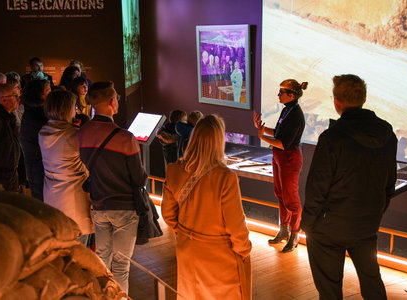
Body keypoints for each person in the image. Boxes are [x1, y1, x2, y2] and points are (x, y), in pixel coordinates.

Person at [301, 74, 397, 300]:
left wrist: (307, 224)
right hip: (366, 224)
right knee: (372, 283)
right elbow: (389, 184)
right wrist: (375, 214)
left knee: (330, 291)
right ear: (363, 99)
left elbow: (317, 187)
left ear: (337, 102)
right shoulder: (387, 134)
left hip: (328, 228)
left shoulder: (332, 137)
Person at [162, 114, 252, 300]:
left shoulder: (174, 170)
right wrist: (244, 249)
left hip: (187, 250)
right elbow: (236, 226)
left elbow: (168, 214)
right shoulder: (225, 178)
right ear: (218, 141)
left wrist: (187, 234)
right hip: (219, 256)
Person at [77, 81, 147, 293]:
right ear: (111, 102)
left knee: (101, 261)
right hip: (124, 207)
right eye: (116, 97)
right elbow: (139, 178)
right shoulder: (126, 138)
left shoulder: (83, 133)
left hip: (98, 204)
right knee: (121, 266)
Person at [253, 79, 307, 252]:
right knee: (280, 194)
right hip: (279, 156)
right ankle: (283, 230)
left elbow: (284, 143)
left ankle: (294, 233)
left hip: (289, 158)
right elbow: (277, 133)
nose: (278, 95)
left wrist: (262, 137)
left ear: (291, 95)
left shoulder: (296, 115)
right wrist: (261, 128)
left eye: (281, 92)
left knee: (291, 198)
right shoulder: (287, 110)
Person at [39, 89, 93, 245]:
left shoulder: (43, 132)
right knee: (79, 249)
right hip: (75, 198)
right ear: (67, 108)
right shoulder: (74, 135)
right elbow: (90, 159)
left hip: (52, 195)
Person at [20, 79, 51, 200]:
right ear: (38, 94)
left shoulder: (32, 111)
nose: (51, 94)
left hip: (36, 164)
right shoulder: (38, 115)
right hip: (39, 165)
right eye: (48, 91)